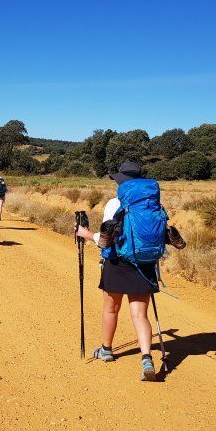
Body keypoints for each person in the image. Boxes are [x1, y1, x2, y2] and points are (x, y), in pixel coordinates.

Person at [75, 161, 163, 382]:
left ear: (121, 181)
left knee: (111, 309)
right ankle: (146, 358)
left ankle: (106, 350)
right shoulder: (153, 203)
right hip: (144, 263)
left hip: (117, 262)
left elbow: (105, 241)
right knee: (140, 314)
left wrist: (86, 234)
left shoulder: (115, 203)